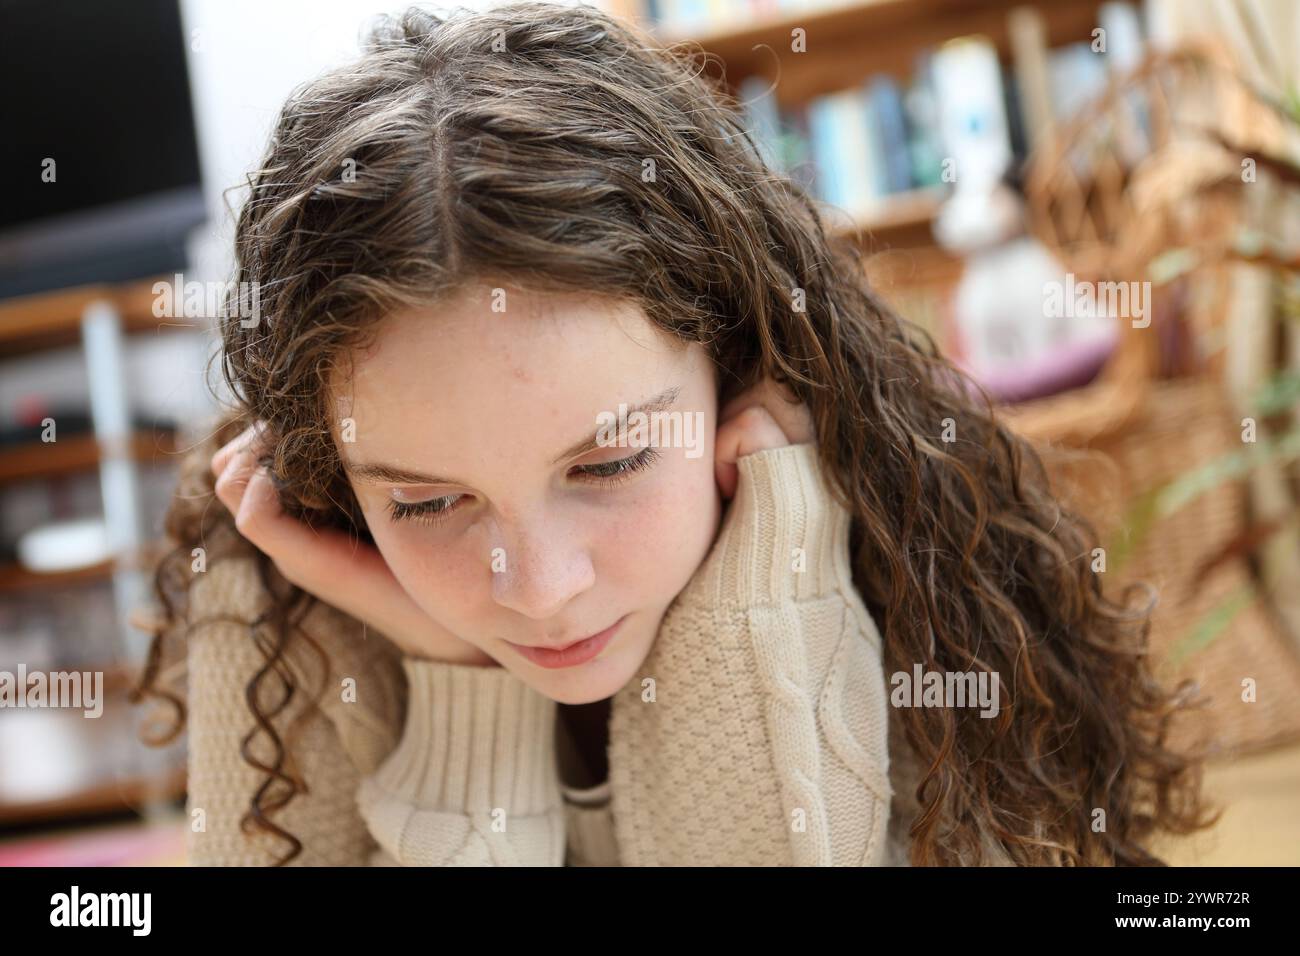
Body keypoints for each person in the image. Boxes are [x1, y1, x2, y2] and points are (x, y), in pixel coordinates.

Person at [136, 1, 1215, 866]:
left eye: (606, 461)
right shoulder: (275, 580)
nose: (541, 585)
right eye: (424, 499)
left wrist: (767, 576)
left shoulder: (906, 542)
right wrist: (451, 677)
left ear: (735, 366)